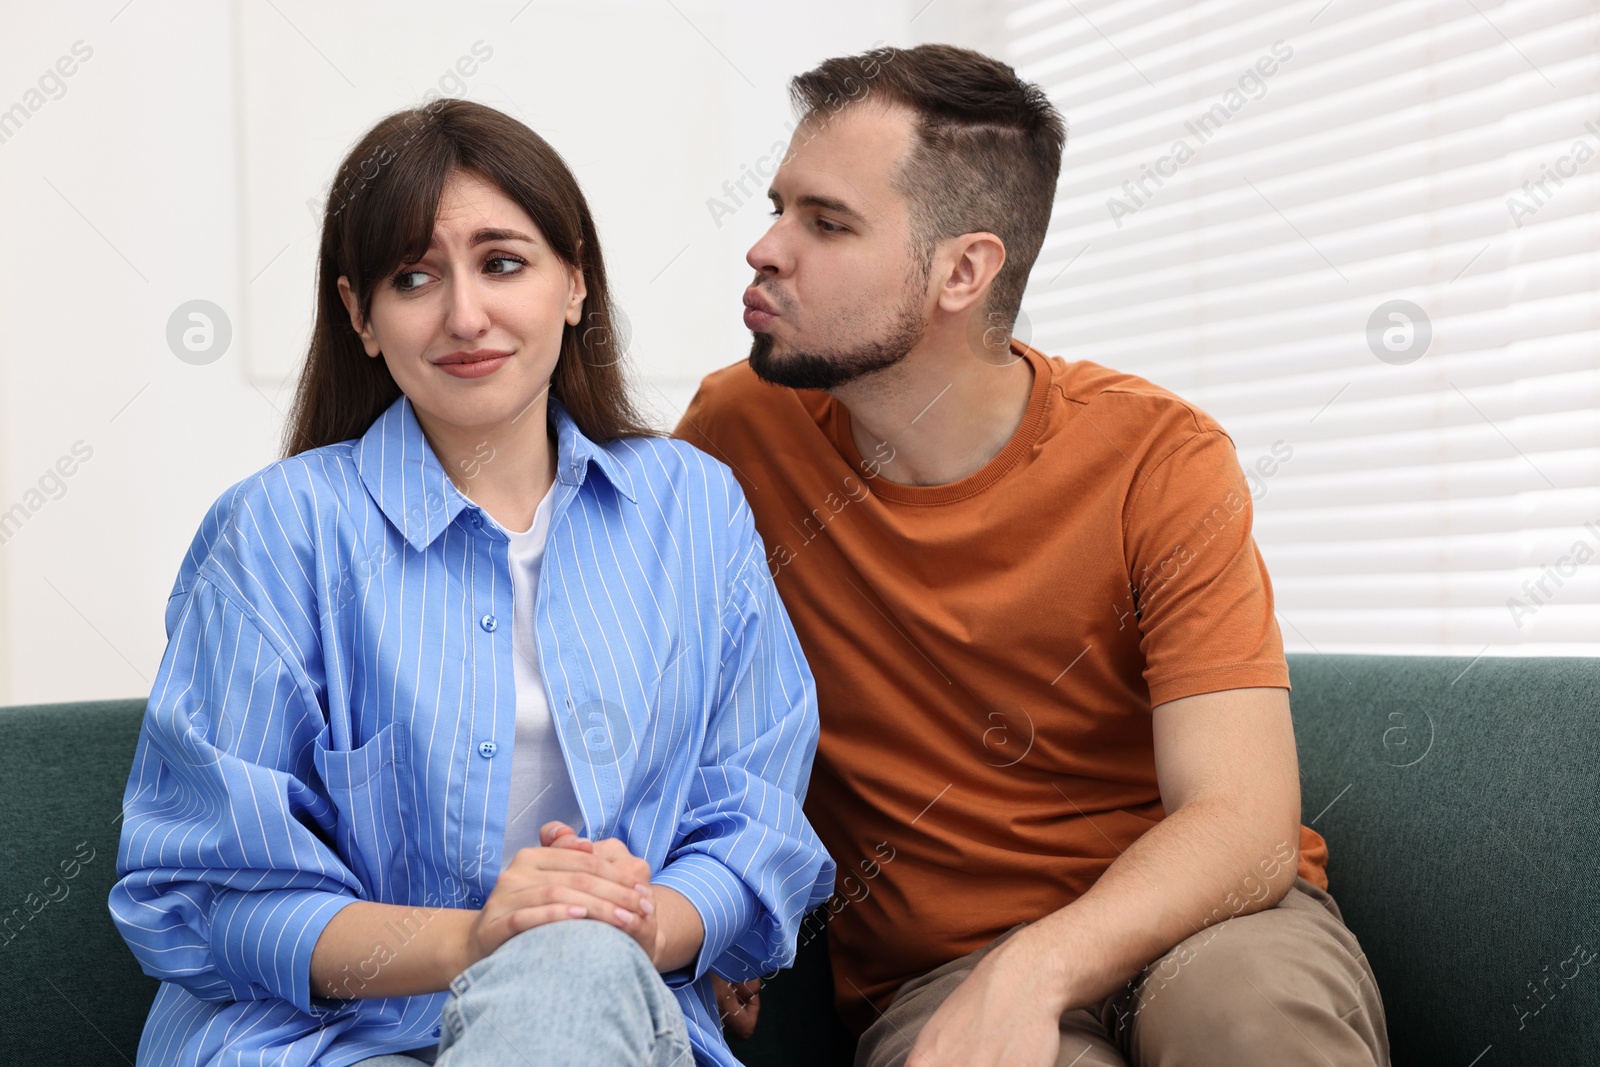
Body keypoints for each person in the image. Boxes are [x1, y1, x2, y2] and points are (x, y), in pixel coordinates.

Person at [677, 44, 1390, 1067]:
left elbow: (1243, 820)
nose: (764, 247)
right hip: (936, 969)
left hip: (1215, 927)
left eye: (824, 222)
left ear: (963, 270)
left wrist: (1038, 966)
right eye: (778, 205)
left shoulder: (1158, 456)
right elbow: (651, 693)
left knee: (1242, 1024)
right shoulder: (733, 437)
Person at [108, 98, 835, 1067]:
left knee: (571, 970)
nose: (464, 315)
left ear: (574, 281)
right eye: (414, 278)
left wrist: (632, 921)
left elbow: (756, 822)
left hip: (600, 1016)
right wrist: (483, 934)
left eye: (503, 262)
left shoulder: (691, 507)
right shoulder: (279, 528)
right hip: (313, 1042)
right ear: (362, 317)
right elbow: (208, 894)